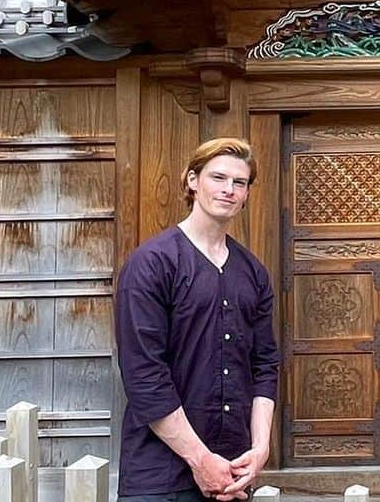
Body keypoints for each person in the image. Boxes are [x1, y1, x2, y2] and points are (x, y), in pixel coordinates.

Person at [115, 137, 278, 502]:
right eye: (218, 178)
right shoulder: (152, 263)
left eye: (240, 183)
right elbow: (144, 375)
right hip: (159, 475)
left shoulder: (252, 272)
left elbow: (265, 364)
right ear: (192, 180)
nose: (229, 190)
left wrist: (261, 448)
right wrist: (200, 458)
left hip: (233, 471)